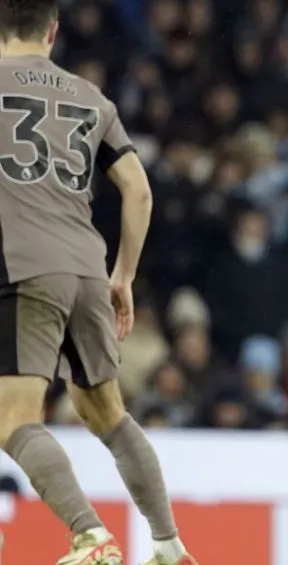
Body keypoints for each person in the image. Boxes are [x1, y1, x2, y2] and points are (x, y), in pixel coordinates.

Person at [0, 2, 197, 564]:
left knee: (13, 419)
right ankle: (167, 544)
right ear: (53, 31)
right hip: (88, 268)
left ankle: (89, 536)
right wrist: (124, 276)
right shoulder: (92, 98)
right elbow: (137, 190)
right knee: (105, 414)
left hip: (20, 267)